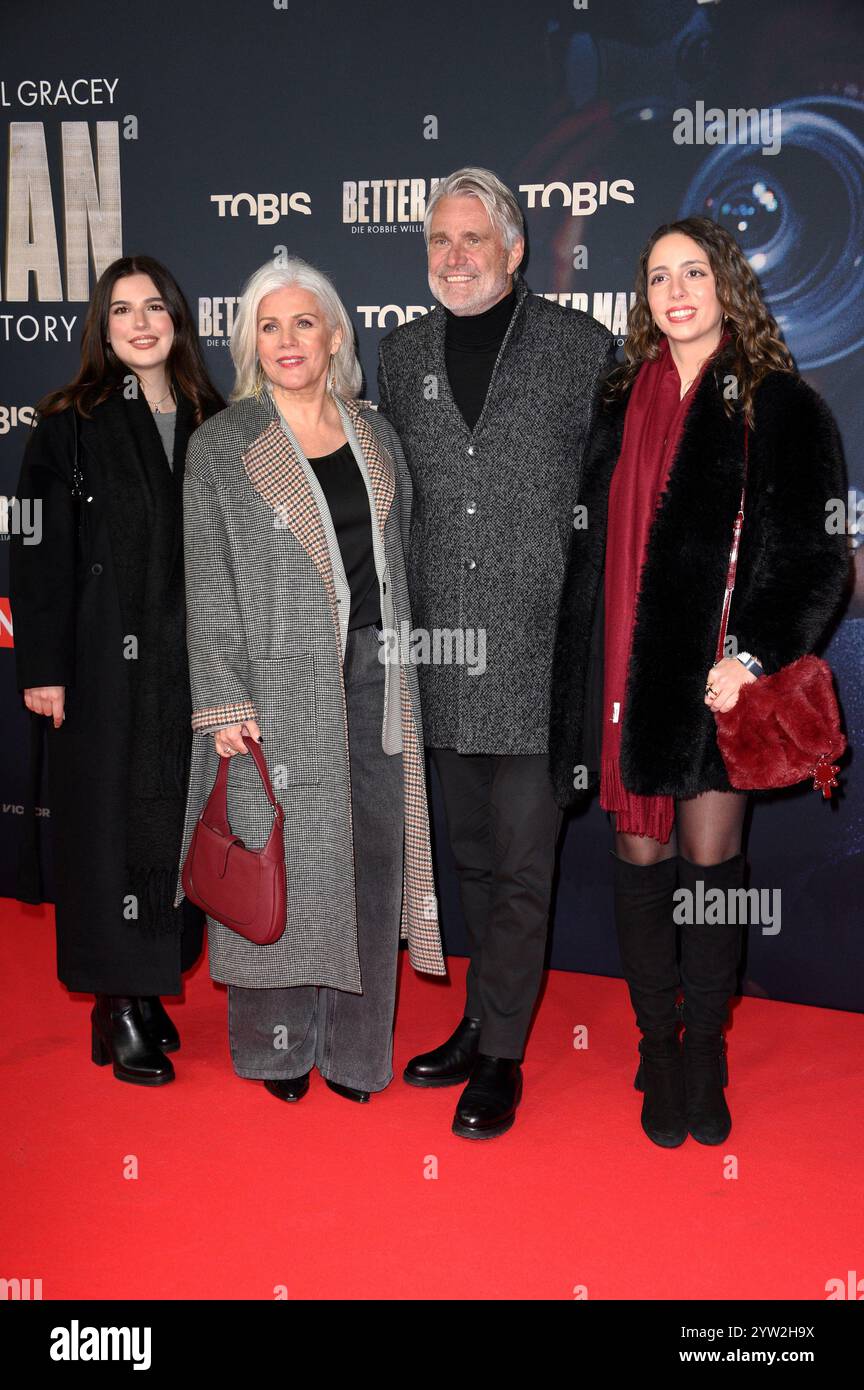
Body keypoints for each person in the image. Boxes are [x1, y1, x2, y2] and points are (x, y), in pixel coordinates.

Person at [549, 217, 850, 1147]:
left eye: (693, 272)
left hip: (716, 685)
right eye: (656, 277)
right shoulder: (618, 398)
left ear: (727, 285)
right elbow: (588, 546)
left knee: (710, 875)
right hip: (621, 675)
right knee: (638, 865)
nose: (675, 291)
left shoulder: (779, 403)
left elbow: (814, 557)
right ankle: (656, 1045)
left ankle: (708, 1047)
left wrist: (751, 656)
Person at [377, 167, 616, 1139]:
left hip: (535, 657)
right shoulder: (400, 353)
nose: (456, 256)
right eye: (440, 240)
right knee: (470, 857)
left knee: (523, 863)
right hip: (436, 659)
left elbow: (614, 505)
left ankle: (504, 1055)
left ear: (515, 249)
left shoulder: (581, 347)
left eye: (474, 239)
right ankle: (481, 1018)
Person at [176, 256, 445, 1105]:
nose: (288, 341)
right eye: (269, 325)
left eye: (303, 323)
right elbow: (208, 580)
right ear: (250, 343)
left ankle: (358, 1054)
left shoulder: (376, 432)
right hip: (275, 682)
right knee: (280, 866)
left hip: (375, 675)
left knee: (369, 861)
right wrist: (223, 701)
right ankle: (276, 1050)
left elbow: (398, 561)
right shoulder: (224, 443)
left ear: (335, 337)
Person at [9, 255, 224, 1085]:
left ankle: (146, 989)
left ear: (177, 318)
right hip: (100, 665)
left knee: (170, 820)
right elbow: (37, 551)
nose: (140, 323)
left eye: (155, 307)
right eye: (121, 310)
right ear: (101, 328)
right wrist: (45, 668)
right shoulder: (70, 421)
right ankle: (119, 1001)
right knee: (106, 831)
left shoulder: (213, 416)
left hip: (192, 666)